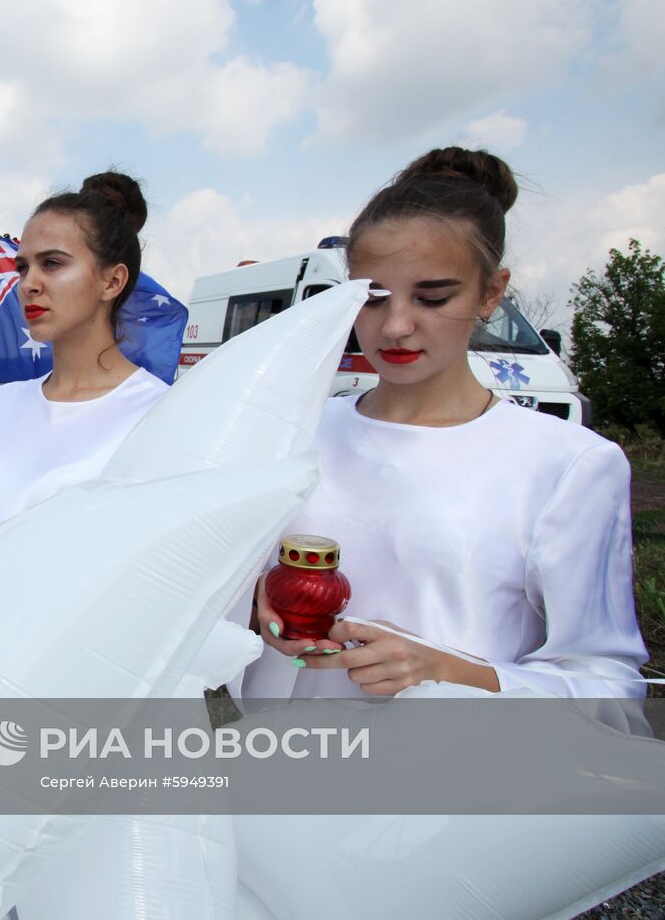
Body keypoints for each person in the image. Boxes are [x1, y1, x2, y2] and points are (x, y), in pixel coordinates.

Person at [237, 147, 647, 718]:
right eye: (372, 298)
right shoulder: (295, 434)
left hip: (452, 789)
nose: (396, 326)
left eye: (433, 297)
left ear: (491, 293)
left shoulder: (566, 463)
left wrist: (447, 672)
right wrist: (254, 610)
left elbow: (607, 687)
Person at [0, 172, 168, 561]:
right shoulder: (5, 403)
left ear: (112, 281)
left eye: (52, 263)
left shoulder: (160, 413)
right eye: (23, 267)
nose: (28, 284)